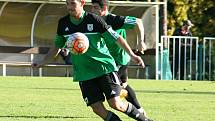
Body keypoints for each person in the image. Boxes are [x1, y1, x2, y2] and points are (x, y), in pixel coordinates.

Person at [33, 0, 152, 121]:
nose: (69, 7)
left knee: (116, 104)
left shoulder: (94, 19)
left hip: (104, 68)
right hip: (84, 73)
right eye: (67, 3)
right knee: (97, 108)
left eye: (73, 3)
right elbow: (57, 46)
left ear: (82, 3)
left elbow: (116, 37)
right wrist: (43, 61)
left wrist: (132, 55)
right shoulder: (63, 23)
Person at [91, 0, 149, 117]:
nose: (93, 10)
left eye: (96, 7)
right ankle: (139, 109)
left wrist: (140, 42)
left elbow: (138, 21)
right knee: (124, 85)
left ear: (105, 8)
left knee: (108, 87)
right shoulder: (94, 21)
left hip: (118, 60)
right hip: (110, 60)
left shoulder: (114, 20)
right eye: (92, 7)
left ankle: (133, 108)